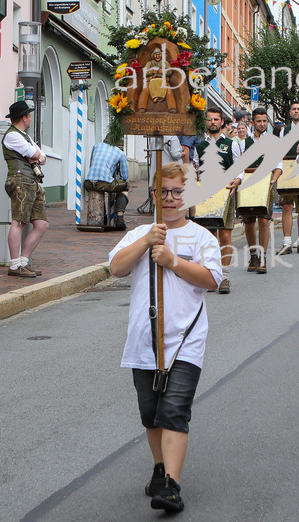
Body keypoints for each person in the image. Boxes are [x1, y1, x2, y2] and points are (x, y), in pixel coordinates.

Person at [109, 162, 221, 513]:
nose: (171, 199)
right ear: (154, 195)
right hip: (144, 340)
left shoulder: (203, 238)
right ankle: (159, 467)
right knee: (151, 411)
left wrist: (172, 260)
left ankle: (171, 484)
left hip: (185, 341)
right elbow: (116, 268)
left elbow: (212, 280)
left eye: (178, 192)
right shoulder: (140, 234)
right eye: (165, 192)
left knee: (174, 411)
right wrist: (146, 240)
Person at [194, 106, 243, 293]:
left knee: (225, 235)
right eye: (209, 119)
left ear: (222, 122)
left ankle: (225, 276)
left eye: (216, 119)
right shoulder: (200, 146)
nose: (212, 122)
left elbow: (239, 168)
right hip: (207, 195)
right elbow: (197, 169)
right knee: (208, 236)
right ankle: (211, 274)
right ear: (205, 122)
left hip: (226, 194)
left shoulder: (231, 144)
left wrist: (238, 180)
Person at [2, 100, 49, 277]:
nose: (30, 119)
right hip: (20, 180)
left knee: (41, 224)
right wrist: (36, 156)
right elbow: (35, 154)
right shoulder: (12, 135)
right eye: (29, 116)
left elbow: (41, 156)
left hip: (31, 182)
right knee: (19, 221)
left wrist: (37, 156)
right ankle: (15, 265)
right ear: (24, 117)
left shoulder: (24, 136)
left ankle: (23, 261)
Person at [240, 108, 282, 273]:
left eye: (265, 121)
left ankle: (263, 257)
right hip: (248, 187)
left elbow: (279, 165)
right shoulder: (244, 142)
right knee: (249, 222)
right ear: (253, 123)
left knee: (264, 221)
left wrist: (273, 180)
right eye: (259, 121)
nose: (262, 124)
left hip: (265, 185)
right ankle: (253, 255)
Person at [277, 101, 299, 255]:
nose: (296, 111)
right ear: (290, 112)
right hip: (288, 170)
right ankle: (287, 242)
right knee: (287, 206)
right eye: (294, 109)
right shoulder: (284, 131)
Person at [84, 133, 131, 228]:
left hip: (88, 182)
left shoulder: (97, 146)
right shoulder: (120, 153)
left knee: (100, 188)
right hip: (104, 183)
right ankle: (119, 217)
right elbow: (125, 176)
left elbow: (92, 164)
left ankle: (103, 215)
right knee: (125, 187)